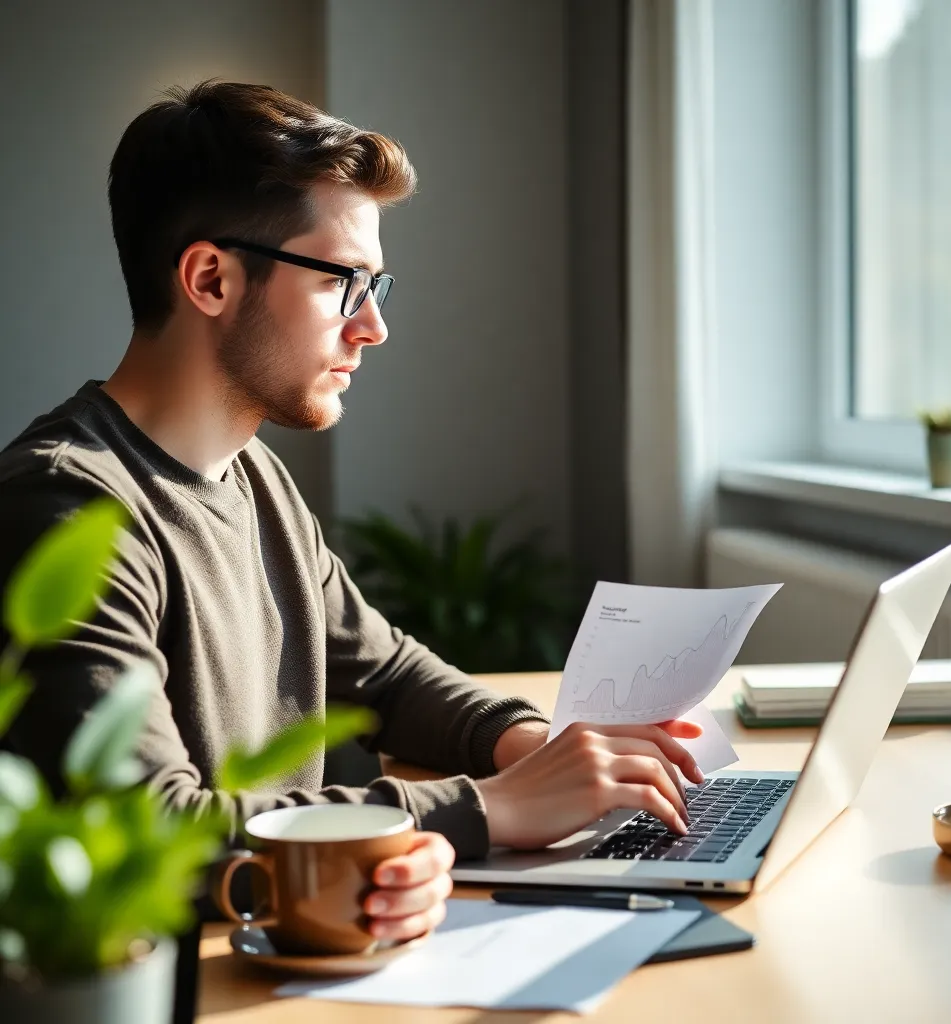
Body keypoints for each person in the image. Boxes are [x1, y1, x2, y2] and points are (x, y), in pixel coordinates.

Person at [0, 81, 703, 945]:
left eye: (378, 286)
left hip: (291, 947)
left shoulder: (249, 473)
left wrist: (540, 750)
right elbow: (150, 832)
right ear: (211, 278)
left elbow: (385, 674)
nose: (372, 327)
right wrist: (486, 808)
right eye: (344, 283)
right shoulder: (70, 509)